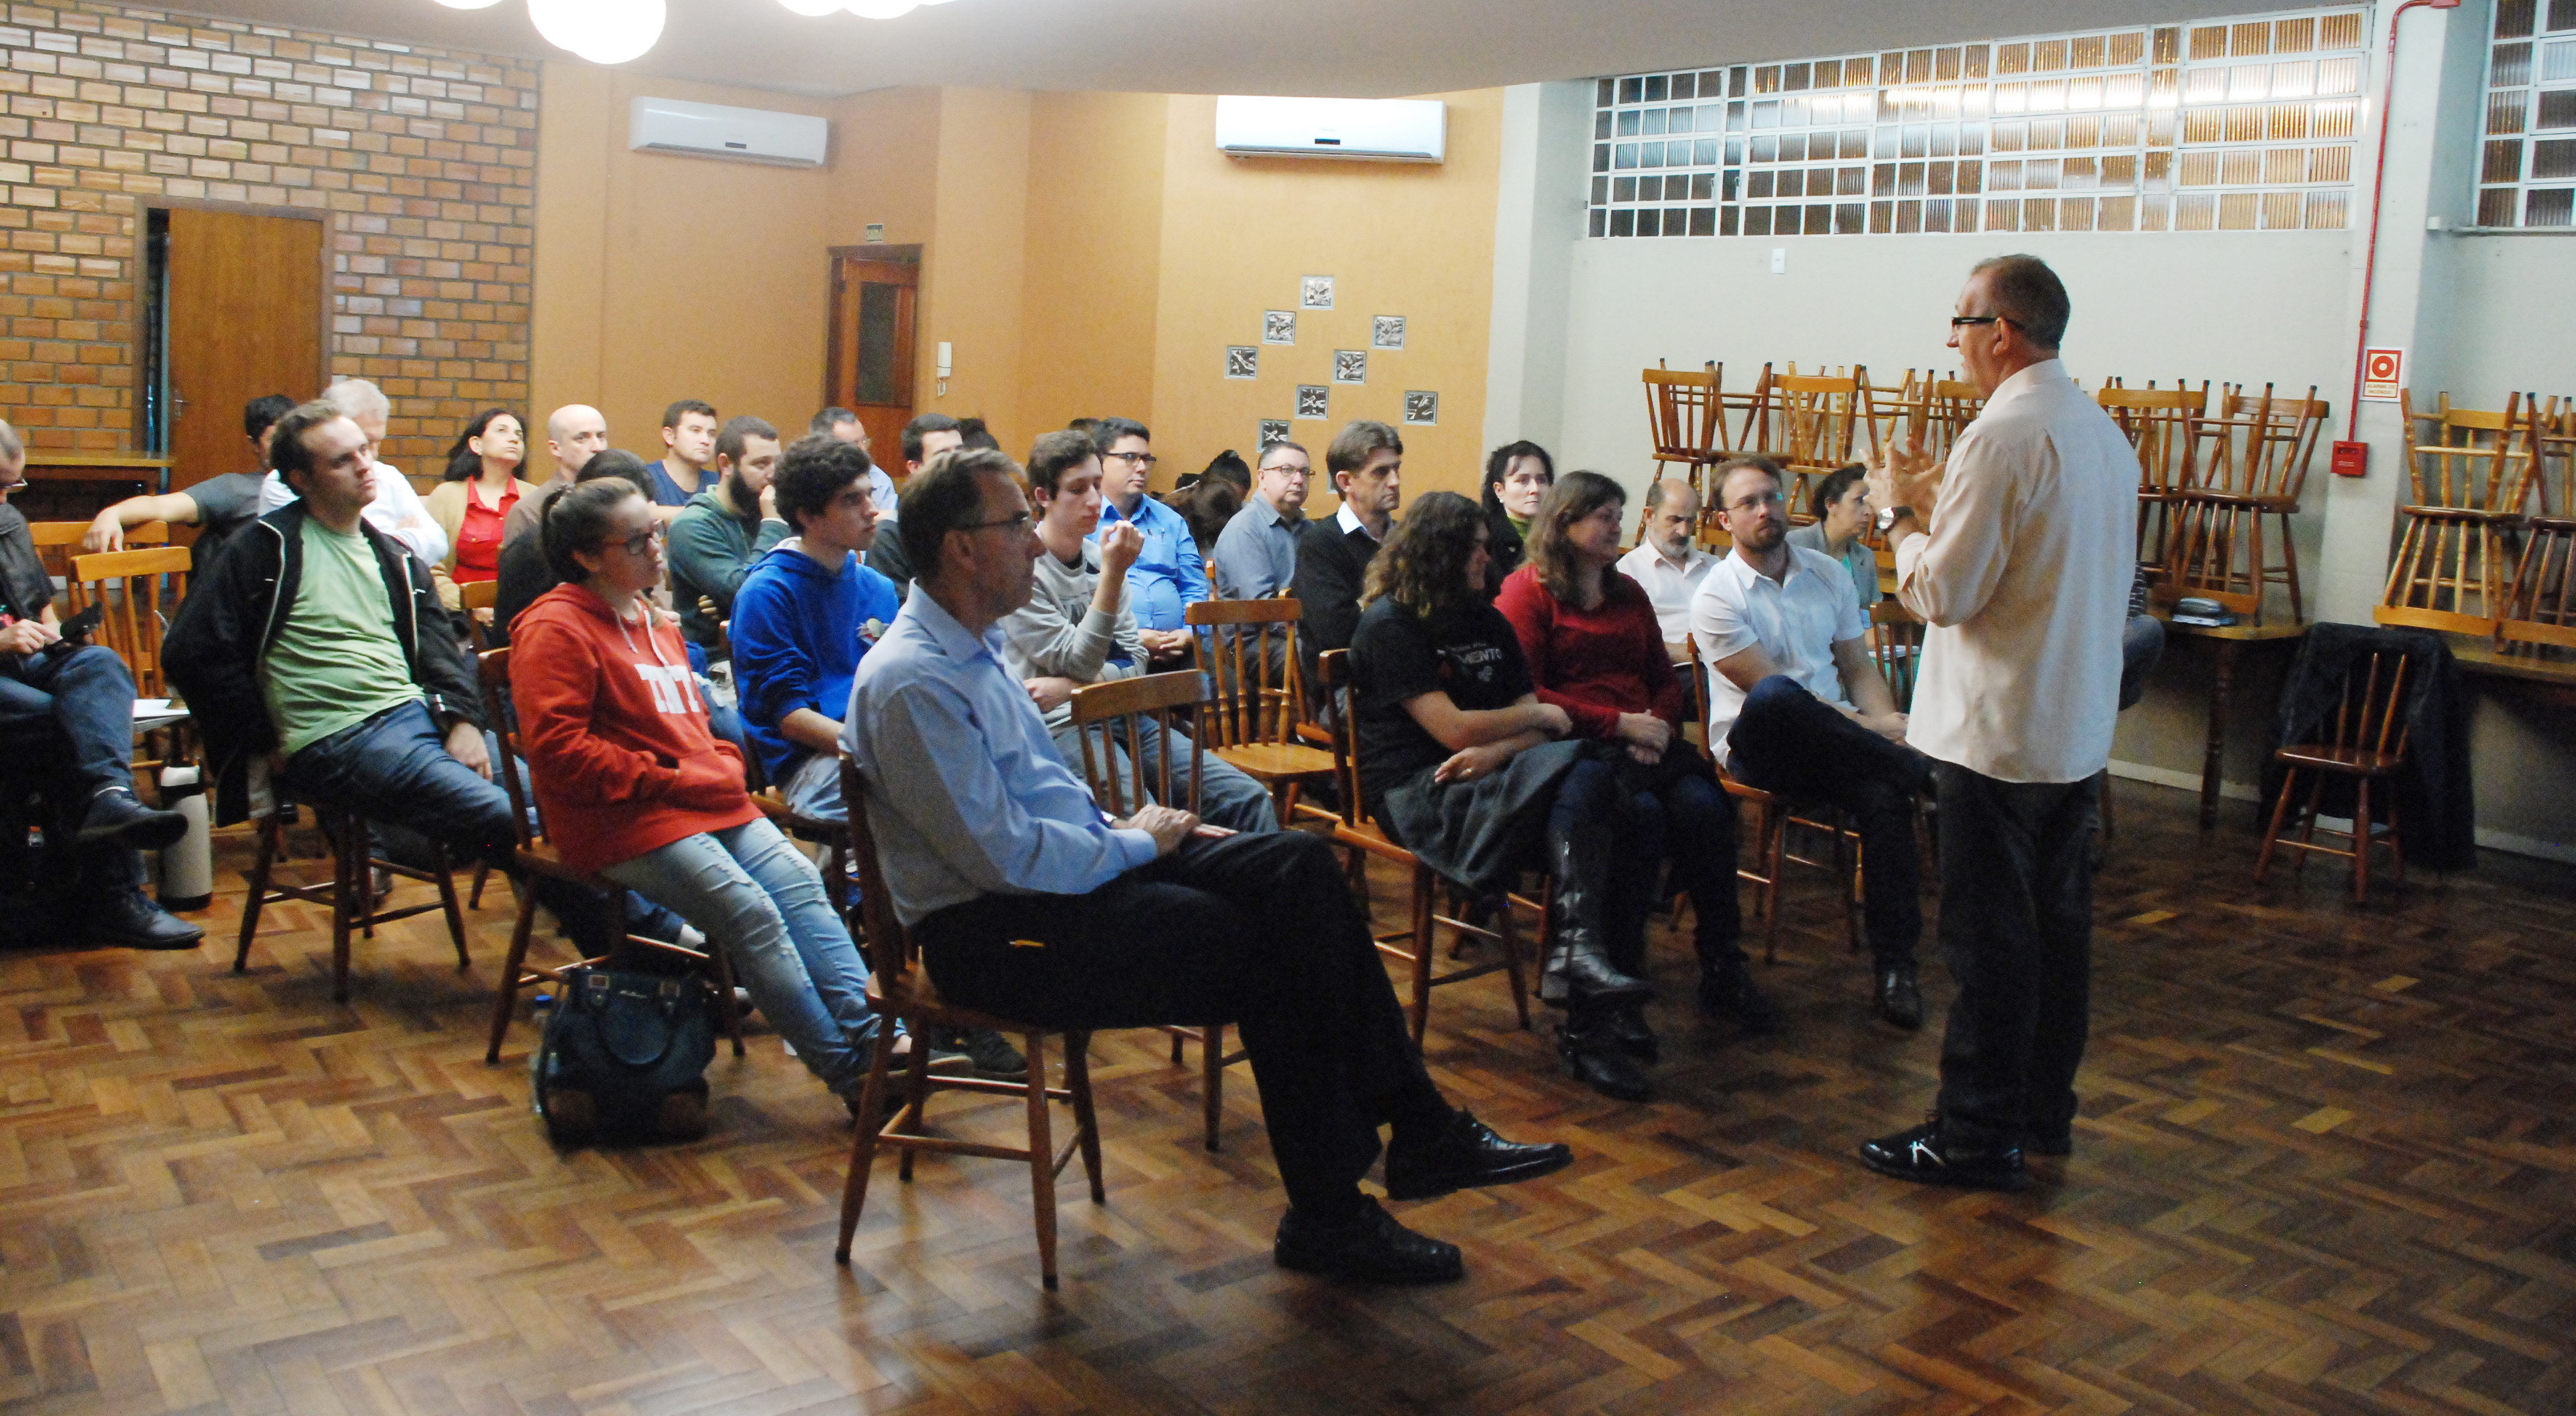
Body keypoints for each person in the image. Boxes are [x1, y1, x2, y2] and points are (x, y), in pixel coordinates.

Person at [846, 449, 1571, 1284]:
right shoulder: (911, 680)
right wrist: (1139, 844)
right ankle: (1344, 1202)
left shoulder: (972, 650)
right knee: (1261, 944)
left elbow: (1046, 806)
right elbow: (1007, 855)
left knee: (1296, 865)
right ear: (961, 548)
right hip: (991, 936)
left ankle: (1408, 1141)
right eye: (1015, 524)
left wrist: (1152, 832)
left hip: (1053, 885)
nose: (1034, 544)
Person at [508, 477, 953, 1107]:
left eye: (655, 533)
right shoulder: (555, 628)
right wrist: (676, 776)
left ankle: (883, 1041)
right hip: (615, 817)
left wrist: (716, 760)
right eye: (636, 541)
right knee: (750, 912)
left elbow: (693, 722)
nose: (656, 549)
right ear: (586, 556)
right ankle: (848, 1071)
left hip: (696, 798)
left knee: (800, 887)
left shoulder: (654, 623)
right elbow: (560, 755)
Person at [164, 403, 633, 956]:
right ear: (300, 480)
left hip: (418, 718)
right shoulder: (264, 548)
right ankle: (648, 956)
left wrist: (461, 719)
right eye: (343, 460)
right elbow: (190, 651)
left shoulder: (391, 554)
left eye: (364, 451)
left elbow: (439, 647)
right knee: (520, 826)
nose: (366, 466)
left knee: (573, 805)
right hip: (338, 738)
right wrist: (262, 737)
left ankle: (661, 946)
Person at [1858, 255, 2133, 1190]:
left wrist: (1897, 514)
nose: (1953, 340)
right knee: (2058, 938)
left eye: (1962, 321)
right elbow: (2037, 559)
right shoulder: (2100, 433)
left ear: (2003, 333)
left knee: (1987, 945)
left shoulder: (2002, 434)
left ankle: (1973, 1135)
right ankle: (2042, 1114)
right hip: (2071, 730)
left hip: (1993, 734)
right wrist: (1946, 506)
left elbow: (1944, 591)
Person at [1497, 472, 1760, 1095]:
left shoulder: (1628, 593)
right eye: (1604, 517)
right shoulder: (1528, 592)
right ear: (1564, 524)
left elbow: (1664, 676)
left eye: (1619, 515)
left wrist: (1660, 727)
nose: (1618, 527)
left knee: (1705, 807)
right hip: (1576, 749)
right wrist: (1620, 725)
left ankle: (1722, 961)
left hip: (1642, 741)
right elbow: (1529, 694)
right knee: (1636, 821)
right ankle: (1612, 999)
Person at [1348, 491, 1655, 1014]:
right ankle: (1587, 981)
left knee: (1626, 806)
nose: (1487, 558)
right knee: (1611, 800)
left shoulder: (1486, 620)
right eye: (1475, 548)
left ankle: (1584, 968)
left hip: (1489, 773)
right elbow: (1458, 731)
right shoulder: (1390, 625)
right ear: (1438, 553)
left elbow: (1531, 729)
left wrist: (1501, 750)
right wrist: (1534, 720)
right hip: (1421, 789)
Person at [1692, 454, 1928, 1031]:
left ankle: (1896, 970)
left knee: (1884, 795)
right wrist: (1874, 731)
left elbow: (1857, 665)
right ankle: (1929, 773)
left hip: (1839, 744)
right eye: (1748, 502)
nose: (1765, 510)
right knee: (1777, 694)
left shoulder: (1829, 572)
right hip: (1760, 749)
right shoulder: (1716, 595)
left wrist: (1888, 721)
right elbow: (1773, 691)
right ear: (1725, 519)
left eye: (1771, 497)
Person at [1000, 431, 1276, 834]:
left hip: (1125, 714)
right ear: (1042, 496)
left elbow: (1136, 660)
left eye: (1097, 485)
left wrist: (1070, 686)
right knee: (1154, 823)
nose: (1095, 500)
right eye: (1078, 489)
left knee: (1247, 797)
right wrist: (1113, 578)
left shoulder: (1102, 557)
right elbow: (1080, 659)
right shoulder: (1026, 570)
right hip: (1063, 727)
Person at [0, 422, 202, 949]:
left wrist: (55, 634)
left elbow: (39, 606)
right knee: (64, 723)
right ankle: (118, 896)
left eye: (11, 487)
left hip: (28, 664)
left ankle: (110, 799)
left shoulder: (7, 521)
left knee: (101, 665)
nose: (5, 498)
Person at [82, 394, 292, 568]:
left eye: (291, 438)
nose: (285, 448)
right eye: (275, 440)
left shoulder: (314, 490)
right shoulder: (234, 489)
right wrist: (114, 513)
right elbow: (160, 505)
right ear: (255, 444)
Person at [255, 379, 446, 567]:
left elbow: (437, 544)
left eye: (370, 445)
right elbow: (330, 558)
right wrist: (404, 540)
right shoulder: (282, 483)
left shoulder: (387, 476)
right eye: (346, 455)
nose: (370, 458)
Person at [1293, 420, 1403, 708]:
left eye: (1396, 469)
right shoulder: (1320, 543)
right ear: (1345, 482)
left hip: (1406, 673)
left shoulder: (1407, 538)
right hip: (1346, 689)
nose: (1395, 481)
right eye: (1381, 472)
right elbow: (1338, 633)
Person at [493, 450, 653, 645]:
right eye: (637, 538)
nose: (653, 548)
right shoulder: (536, 556)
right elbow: (516, 643)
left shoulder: (627, 559)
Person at [667, 415, 788, 652]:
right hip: (717, 663)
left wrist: (727, 603)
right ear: (726, 465)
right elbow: (745, 593)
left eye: (777, 463)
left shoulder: (769, 510)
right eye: (761, 464)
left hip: (775, 647)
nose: (773, 475)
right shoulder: (692, 525)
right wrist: (773, 523)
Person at [1088, 417, 1202, 665]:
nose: (1141, 468)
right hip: (1109, 651)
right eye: (1130, 458)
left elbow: (1194, 587)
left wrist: (1188, 632)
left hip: (1179, 648)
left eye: (1146, 459)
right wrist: (1129, 638)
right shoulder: (1084, 519)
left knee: (1235, 694)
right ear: (1100, 462)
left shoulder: (1171, 520)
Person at [424, 409, 540, 612]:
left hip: (522, 613)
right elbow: (431, 569)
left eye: (519, 435)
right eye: (502, 431)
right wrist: (473, 608)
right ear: (476, 444)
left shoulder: (535, 497)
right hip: (461, 615)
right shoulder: (446, 495)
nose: (513, 439)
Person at [862, 413, 965, 597]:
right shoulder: (890, 536)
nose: (956, 462)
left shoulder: (980, 520)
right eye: (942, 456)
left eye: (959, 452)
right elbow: (895, 612)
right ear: (915, 468)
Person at [1615, 477, 1718, 648]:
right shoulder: (1627, 572)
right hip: (1673, 669)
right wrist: (1695, 656)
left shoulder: (1714, 567)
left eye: (1690, 520)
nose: (1684, 531)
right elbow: (1628, 642)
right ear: (1649, 516)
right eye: (1675, 520)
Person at [1209, 441, 1311, 602]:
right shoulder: (1245, 529)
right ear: (1262, 477)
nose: (1299, 480)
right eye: (1287, 470)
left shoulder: (1310, 529)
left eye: (1304, 472)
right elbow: (1260, 607)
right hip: (1261, 625)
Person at [501, 404, 607, 545]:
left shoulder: (620, 497)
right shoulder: (530, 510)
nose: (597, 447)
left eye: (601, 437)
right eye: (581, 438)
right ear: (556, 448)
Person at [1785, 463, 1881, 614]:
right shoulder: (1795, 545)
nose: (1869, 512)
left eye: (1870, 503)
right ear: (1830, 505)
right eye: (1859, 501)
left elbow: (1874, 615)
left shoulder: (1865, 556)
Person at [1478, 441, 1554, 597]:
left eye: (1542, 480)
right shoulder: (1485, 534)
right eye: (1523, 480)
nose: (1535, 489)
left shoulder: (1560, 532)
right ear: (1500, 490)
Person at [642, 399, 719, 523]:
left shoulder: (719, 483)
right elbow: (635, 516)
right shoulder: (643, 477)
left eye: (711, 434)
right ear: (670, 436)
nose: (705, 440)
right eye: (695, 430)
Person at [811, 407, 897, 510]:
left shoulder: (879, 478)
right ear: (824, 447)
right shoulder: (807, 479)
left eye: (864, 441)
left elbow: (889, 522)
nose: (863, 450)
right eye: (853, 445)